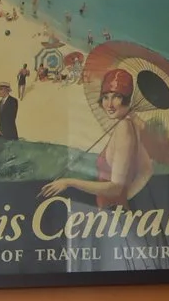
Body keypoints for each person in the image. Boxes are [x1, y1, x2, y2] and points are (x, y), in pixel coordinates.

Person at [37, 69, 152, 209]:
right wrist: (125, 198)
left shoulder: (124, 128)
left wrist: (68, 182)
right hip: (113, 209)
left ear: (126, 99)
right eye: (105, 97)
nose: (109, 104)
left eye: (116, 97)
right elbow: (146, 170)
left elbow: (116, 188)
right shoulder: (131, 125)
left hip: (110, 211)